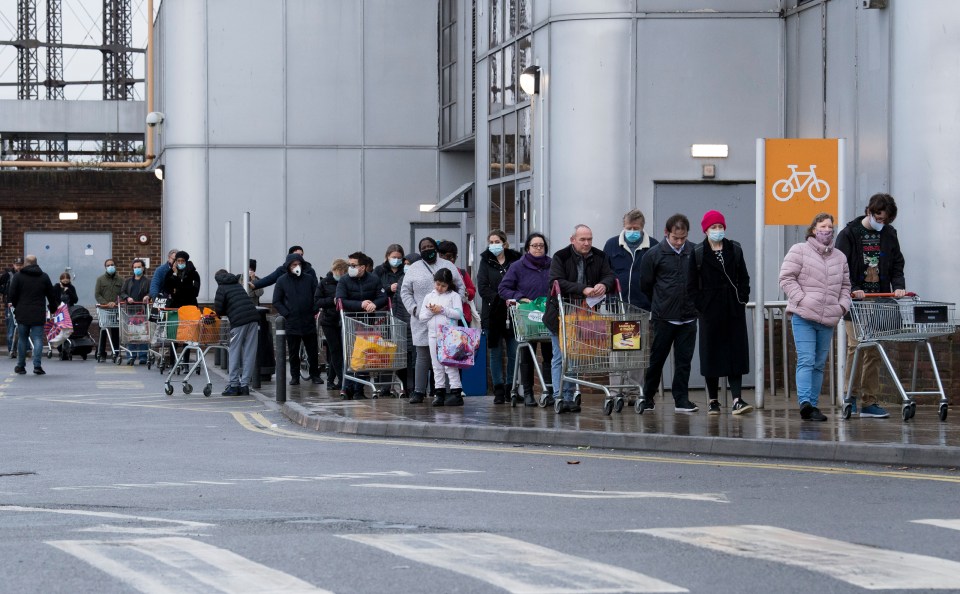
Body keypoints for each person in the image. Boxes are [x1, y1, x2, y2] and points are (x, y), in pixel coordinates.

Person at [835, 193, 906, 419]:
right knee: (856, 347)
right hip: (855, 300)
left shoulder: (889, 235)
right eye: (879, 218)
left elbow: (896, 263)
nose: (881, 223)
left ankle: (869, 402)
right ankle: (850, 397)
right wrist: (854, 287)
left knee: (873, 349)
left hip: (879, 298)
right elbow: (841, 266)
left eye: (886, 220)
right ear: (869, 211)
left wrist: (899, 287)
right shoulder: (849, 234)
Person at [779, 212, 852, 422]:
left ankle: (813, 405)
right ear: (813, 229)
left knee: (819, 363)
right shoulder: (799, 250)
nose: (827, 230)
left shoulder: (840, 257)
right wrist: (801, 299)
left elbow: (846, 286)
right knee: (806, 359)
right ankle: (805, 403)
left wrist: (841, 306)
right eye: (823, 226)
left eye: (830, 226)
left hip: (828, 317)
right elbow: (786, 277)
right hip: (803, 315)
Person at [544, 224, 616, 413]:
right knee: (560, 356)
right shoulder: (561, 256)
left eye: (589, 239)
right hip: (560, 313)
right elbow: (556, 281)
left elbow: (610, 276)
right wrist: (582, 288)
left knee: (575, 356)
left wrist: (603, 285)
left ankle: (569, 396)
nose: (587, 243)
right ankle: (560, 396)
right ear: (573, 240)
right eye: (582, 239)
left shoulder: (599, 256)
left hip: (585, 314)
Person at [688, 210, 754, 416]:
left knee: (736, 353)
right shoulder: (698, 252)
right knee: (711, 355)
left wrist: (742, 298)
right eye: (713, 227)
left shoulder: (735, 249)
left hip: (733, 309)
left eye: (720, 227)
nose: (718, 231)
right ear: (706, 230)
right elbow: (691, 286)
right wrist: (703, 305)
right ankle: (713, 400)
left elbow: (744, 277)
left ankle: (737, 399)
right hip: (710, 312)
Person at [638, 214, 700, 414]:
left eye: (683, 238)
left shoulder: (695, 251)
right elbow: (646, 285)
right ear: (667, 233)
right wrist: (660, 304)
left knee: (684, 362)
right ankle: (647, 397)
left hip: (689, 317)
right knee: (657, 360)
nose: (680, 242)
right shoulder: (654, 254)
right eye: (676, 238)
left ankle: (681, 400)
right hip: (664, 317)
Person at [400, 237, 465, 404]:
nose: (427, 249)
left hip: (447, 322)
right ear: (419, 250)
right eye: (424, 247)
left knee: (448, 359)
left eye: (430, 246)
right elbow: (405, 291)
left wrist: (456, 301)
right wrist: (414, 309)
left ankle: (451, 392)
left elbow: (461, 285)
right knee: (422, 356)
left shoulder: (448, 265)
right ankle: (419, 391)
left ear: (435, 248)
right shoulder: (414, 268)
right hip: (422, 319)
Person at [498, 232, 554, 407]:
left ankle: (549, 391)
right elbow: (504, 288)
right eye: (534, 245)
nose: (538, 248)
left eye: (541, 245)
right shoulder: (518, 266)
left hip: (548, 315)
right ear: (528, 248)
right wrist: (520, 297)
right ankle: (528, 392)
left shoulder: (552, 265)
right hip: (526, 316)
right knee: (527, 354)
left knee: (550, 355)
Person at [476, 230, 522, 403]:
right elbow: (482, 286)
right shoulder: (485, 261)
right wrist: (500, 299)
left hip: (514, 311)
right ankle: (499, 389)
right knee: (495, 353)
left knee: (513, 351)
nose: (494, 244)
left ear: (504, 243)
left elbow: (521, 281)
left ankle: (512, 387)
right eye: (491, 241)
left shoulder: (516, 260)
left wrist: (514, 297)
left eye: (497, 241)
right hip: (493, 312)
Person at [336, 251, 388, 399]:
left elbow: (383, 297)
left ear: (363, 267)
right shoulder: (344, 280)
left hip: (368, 323)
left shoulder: (374, 279)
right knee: (350, 355)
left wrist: (373, 304)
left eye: (353, 265)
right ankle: (346, 387)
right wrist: (361, 304)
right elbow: (341, 300)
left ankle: (359, 389)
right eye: (349, 265)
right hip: (350, 323)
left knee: (365, 355)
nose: (350, 268)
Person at [417, 268, 465, 407]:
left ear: (449, 285)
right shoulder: (429, 296)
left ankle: (456, 392)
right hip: (433, 334)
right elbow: (421, 317)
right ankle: (439, 393)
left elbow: (458, 314)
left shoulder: (454, 296)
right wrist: (432, 312)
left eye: (443, 285)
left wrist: (442, 310)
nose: (440, 288)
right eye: (437, 284)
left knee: (450, 365)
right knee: (436, 365)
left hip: (449, 335)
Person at [273, 252, 320, 386]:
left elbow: (316, 296)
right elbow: (276, 301)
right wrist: (286, 314)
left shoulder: (309, 279)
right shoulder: (282, 280)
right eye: (294, 265)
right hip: (292, 322)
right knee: (293, 352)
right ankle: (295, 376)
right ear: (288, 266)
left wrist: (314, 310)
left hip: (308, 320)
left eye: (299, 264)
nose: (296, 267)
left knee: (312, 350)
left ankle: (315, 374)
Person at [214, 268, 261, 396]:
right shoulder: (237, 285)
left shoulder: (222, 288)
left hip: (239, 321)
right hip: (253, 318)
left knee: (234, 350)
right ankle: (245, 385)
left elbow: (218, 309)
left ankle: (234, 385)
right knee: (249, 352)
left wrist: (222, 313)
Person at [375, 245, 414, 396]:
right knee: (386, 349)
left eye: (399, 257)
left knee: (402, 350)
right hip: (384, 314)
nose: (396, 260)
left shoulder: (406, 272)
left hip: (401, 313)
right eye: (393, 257)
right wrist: (388, 288)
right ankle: (385, 385)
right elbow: (376, 289)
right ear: (387, 256)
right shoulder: (380, 271)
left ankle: (406, 384)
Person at [8, 255, 56, 375]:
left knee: (22, 339)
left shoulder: (18, 276)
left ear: (25, 263)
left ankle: (21, 366)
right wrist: (53, 308)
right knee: (38, 339)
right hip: (38, 312)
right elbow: (51, 295)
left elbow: (12, 294)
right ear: (36, 263)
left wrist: (16, 305)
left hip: (22, 312)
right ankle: (37, 366)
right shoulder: (44, 276)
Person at [603, 209, 657, 310]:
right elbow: (604, 272)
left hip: (645, 307)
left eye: (636, 228)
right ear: (624, 226)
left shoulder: (654, 246)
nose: (632, 231)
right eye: (629, 228)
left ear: (642, 227)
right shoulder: (611, 244)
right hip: (616, 305)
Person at [315, 259, 349, 391]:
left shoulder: (346, 282)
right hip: (329, 320)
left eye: (342, 272)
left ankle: (331, 379)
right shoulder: (324, 283)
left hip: (343, 320)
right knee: (335, 350)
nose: (340, 274)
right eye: (338, 271)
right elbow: (317, 301)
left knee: (340, 351)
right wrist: (332, 300)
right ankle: (341, 379)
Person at [437, 240, 477, 327]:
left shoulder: (461, 272)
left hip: (461, 316)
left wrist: (466, 292)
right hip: (441, 316)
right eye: (447, 256)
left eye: (452, 257)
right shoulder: (435, 273)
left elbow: (472, 291)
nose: (451, 260)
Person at [119, 259, 151, 364]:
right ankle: (131, 355)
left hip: (142, 311)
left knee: (143, 333)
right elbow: (122, 292)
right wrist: (127, 298)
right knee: (131, 333)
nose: (137, 269)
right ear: (133, 268)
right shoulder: (128, 281)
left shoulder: (147, 281)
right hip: (130, 310)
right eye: (135, 267)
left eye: (139, 267)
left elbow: (151, 292)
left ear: (143, 268)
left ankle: (143, 356)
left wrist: (148, 296)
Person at [94, 258, 124, 360]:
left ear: (115, 266)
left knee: (115, 331)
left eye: (112, 265)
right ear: (105, 267)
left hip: (115, 309)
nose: (110, 267)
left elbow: (122, 294)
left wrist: (115, 303)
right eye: (108, 265)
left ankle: (115, 352)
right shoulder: (100, 279)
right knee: (103, 331)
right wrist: (106, 303)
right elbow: (97, 295)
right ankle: (101, 353)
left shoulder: (121, 280)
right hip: (104, 309)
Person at [252, 245, 318, 290]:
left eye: (301, 255)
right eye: (297, 254)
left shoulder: (309, 270)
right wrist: (255, 285)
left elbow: (315, 288)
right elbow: (268, 279)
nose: (300, 257)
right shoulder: (282, 270)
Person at [2, 257, 23, 351]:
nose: (19, 267)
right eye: (17, 265)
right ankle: (11, 350)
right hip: (10, 305)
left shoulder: (25, 274)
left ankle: (23, 349)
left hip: (22, 304)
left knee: (23, 328)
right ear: (14, 265)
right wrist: (5, 291)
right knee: (11, 328)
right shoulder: (8, 275)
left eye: (21, 265)